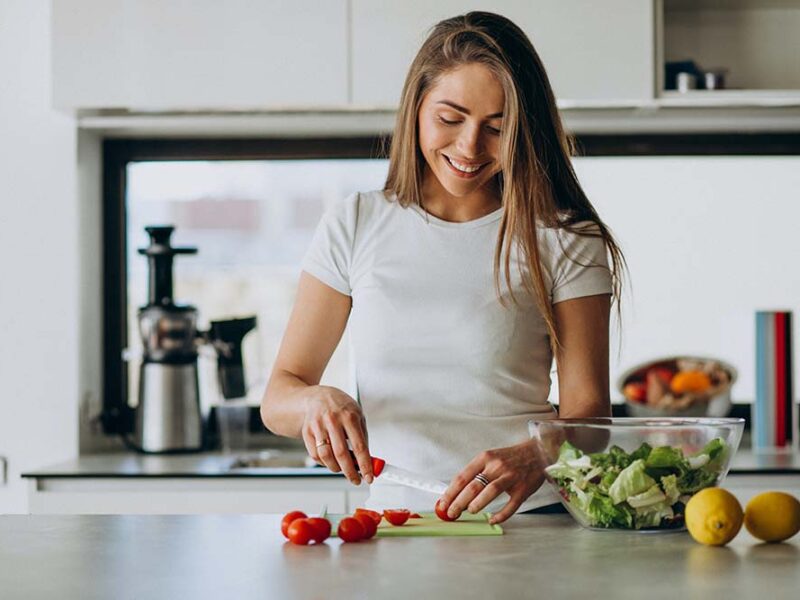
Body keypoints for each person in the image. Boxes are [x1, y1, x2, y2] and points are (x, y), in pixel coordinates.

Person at [260, 11, 626, 524]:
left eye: (497, 129)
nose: (470, 147)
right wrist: (314, 402)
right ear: (416, 109)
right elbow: (280, 395)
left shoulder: (565, 237)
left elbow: (590, 420)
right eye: (450, 119)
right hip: (392, 523)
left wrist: (539, 453)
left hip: (525, 522)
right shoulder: (356, 222)